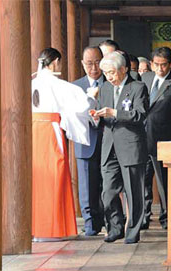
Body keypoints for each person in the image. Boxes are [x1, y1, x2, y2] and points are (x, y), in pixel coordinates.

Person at [31, 48, 97, 241]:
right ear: (56, 62)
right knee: (56, 175)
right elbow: (82, 106)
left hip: (34, 131)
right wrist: (92, 96)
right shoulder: (58, 85)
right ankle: (53, 228)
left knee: (37, 178)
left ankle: (37, 228)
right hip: (51, 131)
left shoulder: (32, 82)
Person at [93, 51, 148, 244]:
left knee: (134, 193)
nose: (109, 77)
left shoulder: (137, 87)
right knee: (108, 192)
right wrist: (96, 117)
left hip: (130, 145)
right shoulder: (106, 88)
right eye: (106, 73)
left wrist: (115, 112)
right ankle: (115, 227)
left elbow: (140, 115)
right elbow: (101, 115)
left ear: (124, 69)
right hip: (109, 147)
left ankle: (132, 231)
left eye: (112, 72)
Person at [141, 47, 171, 229]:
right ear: (151, 64)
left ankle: (167, 218)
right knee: (143, 180)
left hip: (162, 138)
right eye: (156, 65)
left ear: (170, 65)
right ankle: (143, 217)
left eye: (164, 65)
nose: (160, 69)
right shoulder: (144, 78)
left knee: (163, 183)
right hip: (142, 138)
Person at [72, 46, 105, 236]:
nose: (94, 67)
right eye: (89, 63)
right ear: (83, 64)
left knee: (107, 185)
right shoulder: (76, 87)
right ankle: (91, 224)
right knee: (87, 186)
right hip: (85, 143)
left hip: (108, 141)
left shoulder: (110, 83)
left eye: (98, 62)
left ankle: (110, 220)